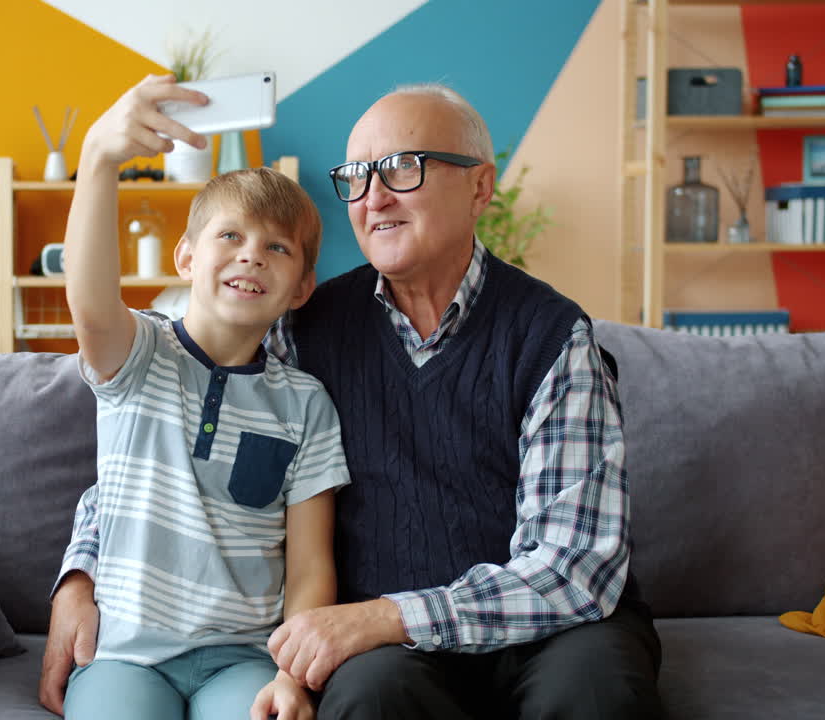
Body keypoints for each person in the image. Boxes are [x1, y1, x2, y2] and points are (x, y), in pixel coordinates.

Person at [43, 81, 665, 719]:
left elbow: (574, 566)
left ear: (480, 187)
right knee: (366, 701)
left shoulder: (552, 337)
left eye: (402, 168)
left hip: (546, 634)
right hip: (389, 646)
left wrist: (392, 615)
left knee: (595, 697)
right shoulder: (302, 327)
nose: (374, 197)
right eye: (358, 177)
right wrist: (81, 575)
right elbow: (162, 447)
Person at [51, 74, 350, 720]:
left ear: (301, 287)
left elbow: (308, 567)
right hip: (124, 655)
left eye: (277, 248)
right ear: (186, 257)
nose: (252, 257)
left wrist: (292, 678)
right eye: (230, 237)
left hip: (242, 658)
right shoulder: (137, 356)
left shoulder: (306, 405)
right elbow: (90, 300)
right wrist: (100, 158)